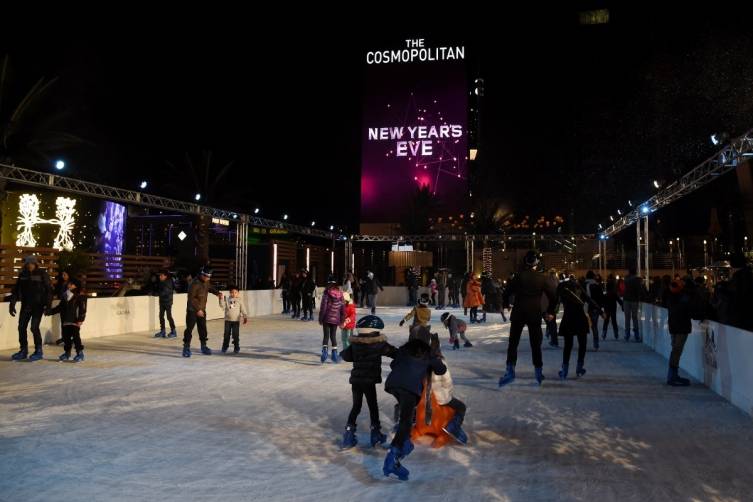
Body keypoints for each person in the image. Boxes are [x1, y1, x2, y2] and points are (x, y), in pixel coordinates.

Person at [383, 334, 447, 481]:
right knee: (405, 420)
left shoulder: (403, 351)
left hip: (393, 384)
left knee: (406, 414)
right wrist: (434, 359)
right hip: (410, 388)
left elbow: (394, 365)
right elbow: (441, 370)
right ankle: (393, 456)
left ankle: (404, 444)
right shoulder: (428, 354)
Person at [499, 251, 557, 386]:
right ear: (536, 263)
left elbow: (506, 292)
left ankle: (510, 370)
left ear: (525, 262)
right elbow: (553, 296)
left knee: (513, 343)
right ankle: (538, 371)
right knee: (535, 344)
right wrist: (550, 311)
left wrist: (506, 304)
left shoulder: (518, 276)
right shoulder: (542, 278)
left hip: (519, 312)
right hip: (534, 313)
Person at [340, 315, 397, 449]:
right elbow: (395, 353)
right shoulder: (379, 344)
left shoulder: (355, 344)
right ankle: (375, 433)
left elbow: (346, 356)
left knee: (356, 406)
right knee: (373, 406)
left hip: (356, 381)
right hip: (369, 380)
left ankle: (348, 435)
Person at [556, 275, 602, 380]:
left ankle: (565, 370)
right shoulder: (579, 288)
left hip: (568, 318)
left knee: (568, 345)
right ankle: (579, 367)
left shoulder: (562, 289)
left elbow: (556, 303)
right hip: (580, 318)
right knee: (582, 344)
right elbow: (590, 300)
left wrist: (551, 313)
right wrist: (601, 311)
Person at [10, 255, 52, 362]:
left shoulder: (42, 273)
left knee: (34, 327)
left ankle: (38, 350)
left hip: (38, 305)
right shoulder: (22, 274)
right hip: (26, 305)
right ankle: (23, 350)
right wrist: (12, 304)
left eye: (32, 263)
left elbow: (49, 290)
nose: (30, 265)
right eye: (28, 264)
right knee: (21, 327)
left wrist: (48, 305)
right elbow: (16, 290)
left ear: (35, 264)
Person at [428, 334, 468, 444]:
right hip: (439, 397)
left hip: (426, 397)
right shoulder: (440, 362)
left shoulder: (423, 361)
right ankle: (453, 427)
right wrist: (449, 393)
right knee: (461, 407)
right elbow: (447, 382)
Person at [182, 267, 222, 358]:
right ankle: (186, 347)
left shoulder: (206, 281)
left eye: (209, 277)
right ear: (202, 275)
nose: (208, 279)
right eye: (207, 277)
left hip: (202, 309)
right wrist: (198, 309)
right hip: (192, 310)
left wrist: (217, 293)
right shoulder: (194, 283)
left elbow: (210, 288)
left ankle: (203, 346)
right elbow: (191, 298)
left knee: (202, 328)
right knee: (189, 328)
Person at [48, 278, 87, 362]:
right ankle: (67, 353)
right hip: (65, 319)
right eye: (69, 283)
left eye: (71, 284)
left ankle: (80, 353)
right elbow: (60, 307)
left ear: (75, 285)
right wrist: (50, 312)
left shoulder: (80, 295)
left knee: (76, 337)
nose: (68, 285)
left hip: (75, 320)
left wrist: (81, 319)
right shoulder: (65, 294)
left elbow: (83, 309)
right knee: (66, 337)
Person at [319, 275, 345, 363]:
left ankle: (325, 352)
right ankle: (334, 354)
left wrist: (321, 318)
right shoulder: (340, 293)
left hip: (327, 317)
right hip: (336, 318)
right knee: (333, 336)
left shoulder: (327, 292)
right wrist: (342, 319)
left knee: (326, 336)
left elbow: (323, 307)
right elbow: (342, 307)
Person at [219, 285, 248, 354]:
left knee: (235, 335)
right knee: (226, 335)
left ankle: (236, 347)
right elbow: (222, 306)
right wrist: (220, 299)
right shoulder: (227, 300)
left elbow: (243, 309)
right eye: (232, 292)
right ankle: (225, 347)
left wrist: (245, 316)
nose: (233, 294)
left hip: (236, 321)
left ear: (238, 293)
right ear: (229, 293)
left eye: (235, 292)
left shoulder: (240, 301)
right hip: (227, 321)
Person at [623, 266, 647, 342]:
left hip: (626, 299)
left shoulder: (626, 279)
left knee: (627, 317)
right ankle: (636, 334)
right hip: (634, 300)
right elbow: (640, 290)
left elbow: (624, 288)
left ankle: (627, 334)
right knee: (634, 317)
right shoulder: (638, 279)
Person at [584, 271, 605, 350]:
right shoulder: (597, 286)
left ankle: (583, 343)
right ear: (593, 277)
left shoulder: (583, 285)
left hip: (585, 308)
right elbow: (601, 298)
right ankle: (596, 344)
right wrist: (601, 310)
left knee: (583, 327)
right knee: (594, 326)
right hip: (594, 309)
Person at [154, 269, 177, 338]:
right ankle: (163, 331)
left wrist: (157, 294)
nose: (160, 277)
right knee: (161, 316)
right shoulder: (162, 282)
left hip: (168, 302)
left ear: (165, 276)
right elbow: (159, 290)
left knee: (168, 316)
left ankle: (173, 331)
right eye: (160, 275)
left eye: (161, 275)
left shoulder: (168, 282)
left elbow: (165, 292)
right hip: (162, 301)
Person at [601, 274, 623, 340]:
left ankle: (604, 334)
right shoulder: (614, 294)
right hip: (613, 308)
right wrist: (622, 305)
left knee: (606, 321)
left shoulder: (606, 295)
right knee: (614, 321)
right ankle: (616, 334)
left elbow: (602, 302)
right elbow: (619, 301)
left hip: (607, 309)